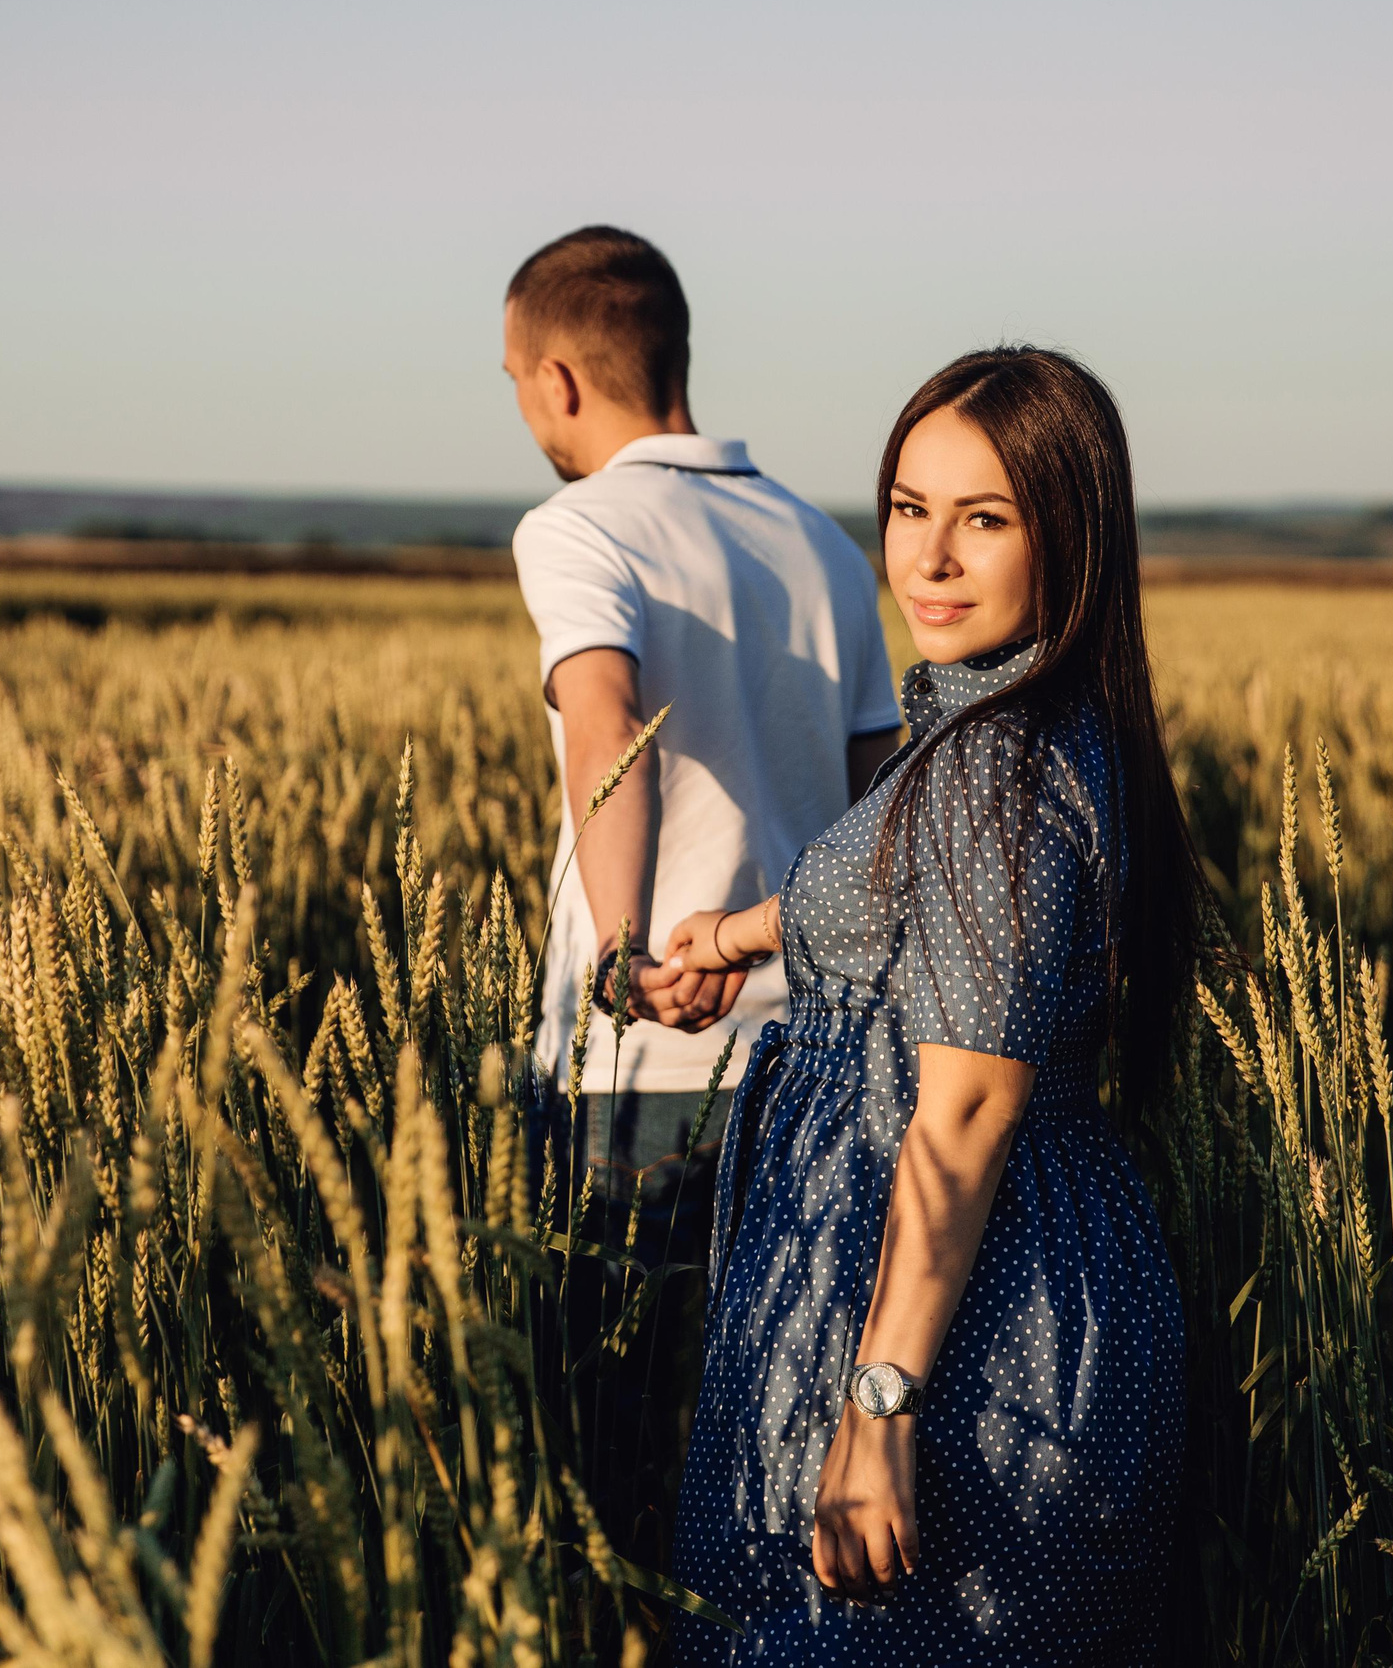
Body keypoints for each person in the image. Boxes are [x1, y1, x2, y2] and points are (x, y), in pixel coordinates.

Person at [659, 347, 1205, 1664]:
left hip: (968, 1322)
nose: (931, 559)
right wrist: (744, 935)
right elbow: (930, 905)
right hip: (1029, 1270)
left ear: (1066, 539)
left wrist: (879, 1404)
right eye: (910, 509)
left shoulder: (992, 774)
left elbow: (963, 1108)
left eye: (986, 519)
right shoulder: (1026, 726)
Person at [500, 224, 904, 1561]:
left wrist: (623, 957)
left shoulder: (577, 528)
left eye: (515, 384)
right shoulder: (828, 548)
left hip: (645, 1073)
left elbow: (604, 712)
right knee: (767, 1457)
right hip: (819, 1069)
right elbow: (882, 816)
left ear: (558, 378)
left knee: (611, 1453)